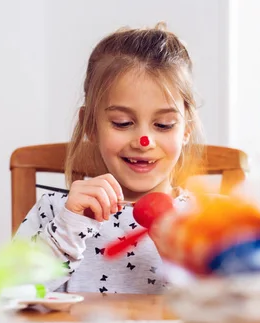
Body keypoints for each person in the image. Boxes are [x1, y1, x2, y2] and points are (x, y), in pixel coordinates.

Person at [15, 22, 205, 294]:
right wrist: (69, 227)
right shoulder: (57, 211)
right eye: (122, 122)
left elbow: (236, 314)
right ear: (91, 125)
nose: (144, 142)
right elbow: (6, 295)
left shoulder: (204, 218)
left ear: (186, 129)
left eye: (163, 125)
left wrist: (182, 259)